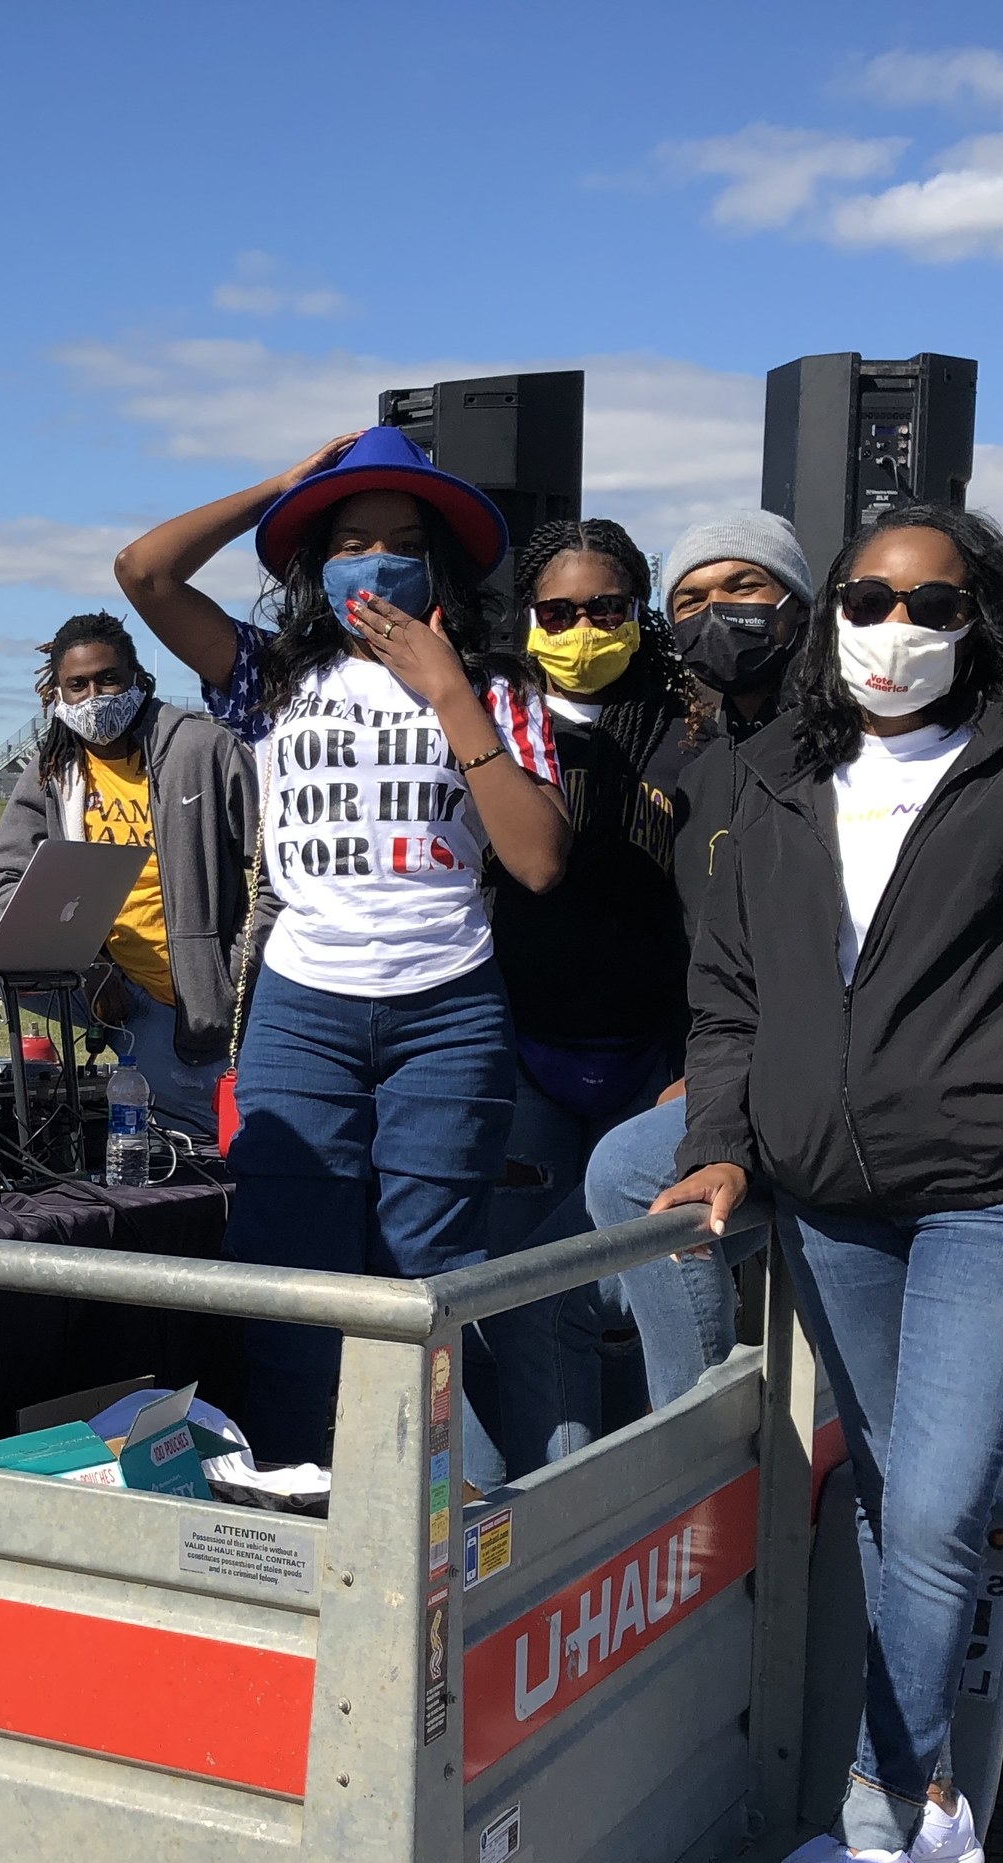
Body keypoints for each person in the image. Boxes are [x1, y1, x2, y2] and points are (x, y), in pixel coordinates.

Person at [652, 502, 1003, 1863]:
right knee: (876, 1489)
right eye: (866, 597)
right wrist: (720, 1145)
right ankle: (913, 1777)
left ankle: (889, 1813)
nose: (891, 625)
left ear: (979, 613)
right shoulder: (785, 780)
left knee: (932, 1504)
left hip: (982, 1200)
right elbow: (730, 1000)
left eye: (930, 601)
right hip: (828, 1202)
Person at [116, 428, 567, 1471]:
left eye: (400, 539)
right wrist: (281, 486)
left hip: (448, 1011)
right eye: (349, 540)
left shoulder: (499, 690)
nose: (374, 558)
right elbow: (144, 571)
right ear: (318, 567)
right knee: (290, 1292)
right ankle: (294, 1520)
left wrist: (450, 691)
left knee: (426, 1290)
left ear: (439, 561)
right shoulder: (270, 675)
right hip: (302, 1012)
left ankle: (429, 1532)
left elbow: (538, 861)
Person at [564, 511, 819, 1428]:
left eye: (742, 587)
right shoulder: (703, 774)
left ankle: (696, 1442)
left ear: (797, 600)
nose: (718, 612)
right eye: (692, 599)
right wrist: (702, 1077)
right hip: (731, 1070)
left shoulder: (851, 751)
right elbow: (712, 957)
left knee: (628, 1175)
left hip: (837, 1077)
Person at [468, 518, 707, 1471]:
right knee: (522, 1305)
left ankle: (662, 1499)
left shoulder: (696, 728)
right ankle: (545, 1516)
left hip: (654, 1065)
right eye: (556, 612)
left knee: (633, 1297)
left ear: (638, 615)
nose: (579, 628)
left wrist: (697, 1067)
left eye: (604, 609)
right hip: (527, 1058)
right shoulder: (489, 722)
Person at [0, 612, 255, 1136]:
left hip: (183, 1003)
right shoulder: (54, 766)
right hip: (91, 977)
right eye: (76, 685)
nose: (93, 696)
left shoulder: (203, 749)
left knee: (200, 1155)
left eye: (109, 679)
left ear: (138, 680)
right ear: (54, 692)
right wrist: (86, 962)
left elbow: (271, 870)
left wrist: (234, 971)